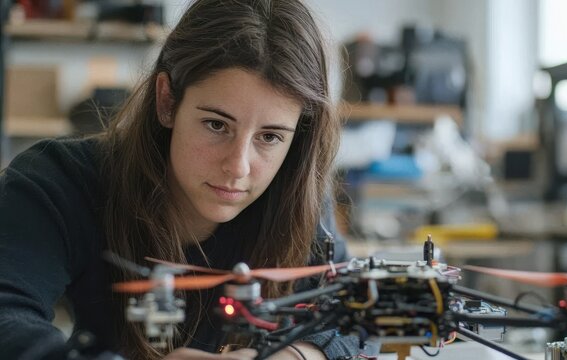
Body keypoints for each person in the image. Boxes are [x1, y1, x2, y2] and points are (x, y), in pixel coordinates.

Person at [0, 0, 360, 359]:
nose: (238, 167)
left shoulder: (298, 198)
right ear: (167, 101)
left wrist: (293, 356)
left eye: (269, 137)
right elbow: (7, 318)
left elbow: (356, 314)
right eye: (216, 125)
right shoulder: (59, 182)